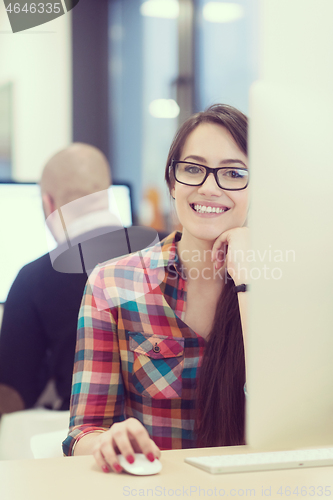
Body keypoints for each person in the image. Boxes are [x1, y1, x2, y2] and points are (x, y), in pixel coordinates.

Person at [63, 105, 249, 474]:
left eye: (233, 173)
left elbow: (295, 421)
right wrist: (108, 442)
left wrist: (249, 278)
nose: (209, 187)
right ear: (172, 182)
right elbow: (83, 432)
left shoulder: (290, 286)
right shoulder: (112, 284)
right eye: (193, 169)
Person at [0, 143, 157, 415]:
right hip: (180, 435)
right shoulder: (170, 248)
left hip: (89, 437)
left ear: (48, 203)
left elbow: (14, 394)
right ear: (106, 195)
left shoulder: (34, 278)